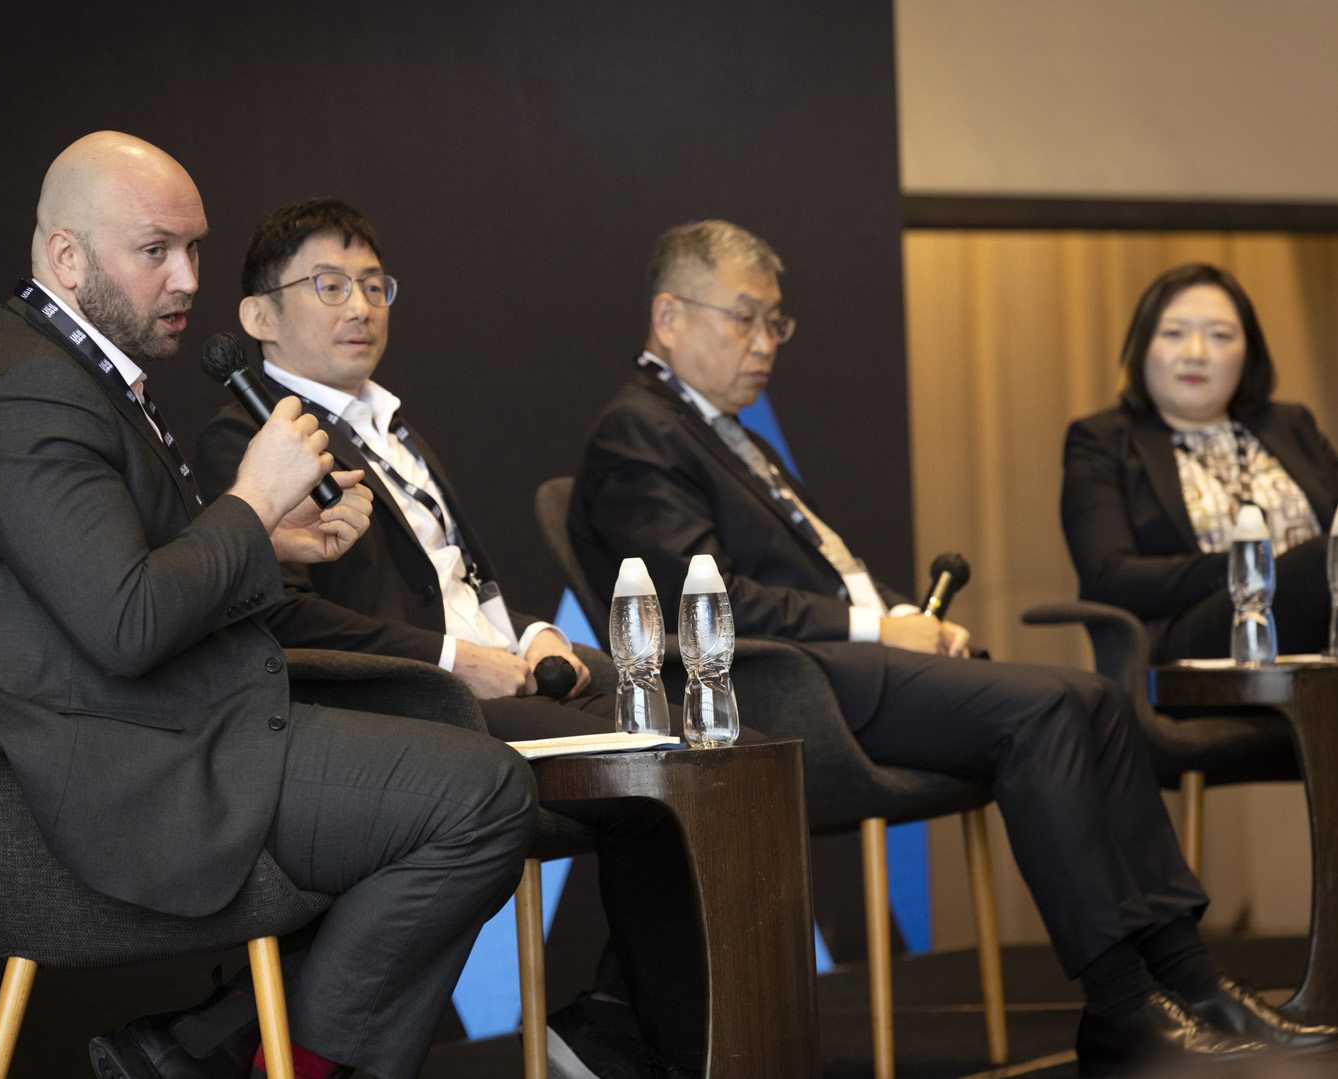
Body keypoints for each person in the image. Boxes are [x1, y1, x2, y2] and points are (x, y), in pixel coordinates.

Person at [569, 220, 1338, 1075]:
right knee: (1044, 709)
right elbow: (698, 597)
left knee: (1094, 697)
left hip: (854, 664)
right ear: (669, 316)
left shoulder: (719, 429)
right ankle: (1123, 1008)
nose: (765, 343)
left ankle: (1194, 983)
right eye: (744, 318)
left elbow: (825, 577)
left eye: (775, 322)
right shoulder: (639, 430)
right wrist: (878, 627)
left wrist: (910, 618)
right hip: (785, 690)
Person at [0, 133, 538, 1079]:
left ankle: (211, 1050)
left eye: (194, 247)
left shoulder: (55, 364)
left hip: (148, 729)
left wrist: (265, 543)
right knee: (481, 794)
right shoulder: (26, 394)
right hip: (108, 775)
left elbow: (111, 576)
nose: (187, 277)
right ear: (67, 255)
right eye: (155, 250)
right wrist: (253, 502)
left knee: (442, 748)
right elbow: (129, 622)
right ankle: (262, 1059)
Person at [194, 198, 714, 1079]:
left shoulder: (394, 427)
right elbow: (282, 620)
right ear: (258, 316)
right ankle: (637, 1043)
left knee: (696, 748)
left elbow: (470, 589)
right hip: (404, 709)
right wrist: (455, 663)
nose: (361, 306)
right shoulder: (245, 441)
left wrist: (534, 635)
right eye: (329, 285)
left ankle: (625, 1031)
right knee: (653, 773)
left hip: (492, 679)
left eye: (374, 285)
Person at [1062, 262, 1338, 662]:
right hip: (1190, 641)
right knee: (1321, 561)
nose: (1196, 354)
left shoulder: (1291, 425)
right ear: (1142, 347)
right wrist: (1243, 567)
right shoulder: (1103, 439)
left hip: (1320, 633)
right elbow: (1108, 576)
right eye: (1174, 333)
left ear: (1249, 352)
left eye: (1219, 335)